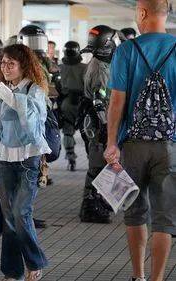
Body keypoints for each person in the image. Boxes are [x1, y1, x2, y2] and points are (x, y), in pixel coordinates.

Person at [104, 1, 175, 280]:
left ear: (142, 13)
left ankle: (138, 276)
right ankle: (157, 279)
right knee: (164, 219)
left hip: (132, 145)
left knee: (135, 213)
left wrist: (111, 142)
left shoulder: (126, 50)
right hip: (169, 145)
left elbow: (116, 102)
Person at [0, 44, 50, 281]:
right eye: (3, 64)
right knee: (8, 217)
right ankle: (12, 271)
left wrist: (1, 89)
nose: (6, 68)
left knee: (21, 213)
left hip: (29, 159)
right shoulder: (3, 91)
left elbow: (30, 126)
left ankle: (34, 262)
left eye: (11, 64)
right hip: (5, 160)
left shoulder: (35, 91)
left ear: (23, 66)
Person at [78, 25, 119, 224]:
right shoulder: (99, 68)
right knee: (97, 163)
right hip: (96, 120)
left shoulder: (102, 62)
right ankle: (89, 206)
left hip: (97, 118)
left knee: (102, 162)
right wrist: (105, 126)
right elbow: (99, 101)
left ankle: (99, 200)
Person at [17, 24, 53, 228]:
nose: (36, 47)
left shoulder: (42, 65)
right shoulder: (20, 65)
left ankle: (24, 214)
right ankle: (22, 216)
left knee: (33, 171)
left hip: (37, 122)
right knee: (25, 173)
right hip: (24, 126)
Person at [59, 41, 87, 171]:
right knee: (88, 132)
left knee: (68, 131)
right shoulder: (84, 67)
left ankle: (71, 157)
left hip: (66, 103)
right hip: (83, 103)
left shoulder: (60, 67)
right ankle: (91, 157)